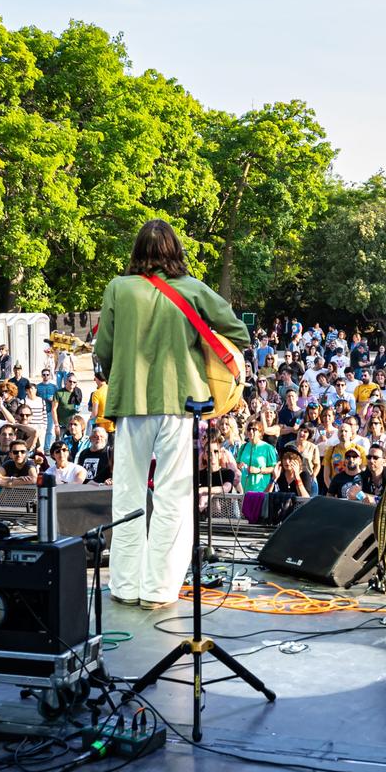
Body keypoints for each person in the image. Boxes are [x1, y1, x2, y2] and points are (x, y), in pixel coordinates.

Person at [93, 219, 248, 611]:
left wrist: (124, 370)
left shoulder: (118, 288)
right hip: (181, 403)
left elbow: (105, 351)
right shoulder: (194, 289)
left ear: (136, 250)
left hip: (131, 401)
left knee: (128, 493)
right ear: (176, 251)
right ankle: (159, 590)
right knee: (173, 498)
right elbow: (239, 333)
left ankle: (125, 586)